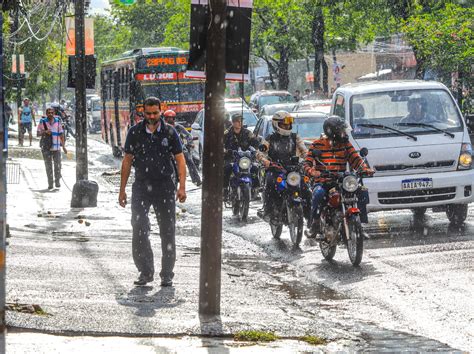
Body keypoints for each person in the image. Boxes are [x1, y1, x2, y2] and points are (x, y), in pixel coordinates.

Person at [118, 97, 186, 287]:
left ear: (161, 110)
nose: (152, 117)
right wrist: (122, 190)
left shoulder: (170, 133)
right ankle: (145, 271)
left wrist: (182, 186)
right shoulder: (135, 132)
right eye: (148, 114)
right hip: (141, 185)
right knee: (139, 227)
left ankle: (167, 273)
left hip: (164, 186)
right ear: (143, 112)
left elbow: (180, 161)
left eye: (155, 113)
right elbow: (127, 161)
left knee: (167, 230)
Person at [304, 116, 373, 240]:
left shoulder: (345, 144)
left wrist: (365, 169)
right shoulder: (317, 145)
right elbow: (307, 164)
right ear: (332, 132)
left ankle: (360, 225)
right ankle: (314, 224)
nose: (344, 133)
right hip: (324, 181)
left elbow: (356, 160)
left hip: (342, 180)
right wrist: (312, 171)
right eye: (341, 130)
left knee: (362, 191)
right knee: (318, 194)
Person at [257, 111, 307, 220]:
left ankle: (310, 217)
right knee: (269, 183)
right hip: (275, 169)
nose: (287, 126)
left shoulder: (295, 137)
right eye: (284, 124)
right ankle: (268, 211)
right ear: (276, 124)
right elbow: (260, 152)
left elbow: (304, 151)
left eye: (288, 124)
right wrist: (265, 160)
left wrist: (307, 159)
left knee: (305, 186)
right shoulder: (270, 138)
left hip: (293, 169)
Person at [223, 113, 260, 200]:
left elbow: (256, 142)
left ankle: (255, 189)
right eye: (237, 121)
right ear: (232, 122)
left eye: (241, 121)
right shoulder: (227, 133)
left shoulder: (247, 133)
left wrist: (258, 148)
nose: (240, 123)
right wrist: (225, 151)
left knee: (254, 168)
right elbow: (221, 144)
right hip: (232, 158)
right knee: (227, 168)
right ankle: (224, 190)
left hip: (245, 159)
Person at [163, 109, 202, 187]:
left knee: (189, 161)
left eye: (171, 118)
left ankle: (196, 180)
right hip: (167, 150)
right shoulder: (162, 128)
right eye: (168, 118)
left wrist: (190, 143)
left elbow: (188, 135)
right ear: (165, 118)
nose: (170, 120)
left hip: (180, 149)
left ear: (174, 118)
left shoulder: (178, 127)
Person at [36, 107, 67, 189]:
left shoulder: (58, 121)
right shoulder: (42, 121)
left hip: (56, 148)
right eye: (48, 113)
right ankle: (50, 183)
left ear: (54, 113)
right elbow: (38, 133)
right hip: (46, 147)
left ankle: (57, 181)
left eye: (52, 113)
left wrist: (63, 146)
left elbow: (61, 134)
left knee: (58, 165)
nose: (50, 114)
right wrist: (45, 132)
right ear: (46, 114)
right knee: (48, 166)